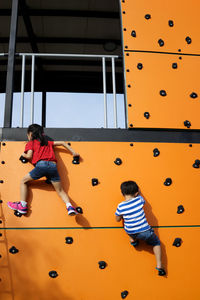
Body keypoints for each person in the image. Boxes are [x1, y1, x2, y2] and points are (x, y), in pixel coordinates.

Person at [7, 124, 79, 216]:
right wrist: (73, 152)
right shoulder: (48, 143)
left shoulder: (31, 143)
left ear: (30, 134)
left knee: (23, 181)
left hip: (41, 166)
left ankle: (22, 206)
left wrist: (22, 155)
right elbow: (62, 143)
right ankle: (69, 207)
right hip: (53, 166)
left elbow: (29, 156)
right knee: (60, 191)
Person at [115, 180, 166, 276]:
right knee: (156, 243)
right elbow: (142, 201)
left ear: (122, 193)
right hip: (145, 231)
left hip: (130, 230)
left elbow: (117, 219)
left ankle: (133, 240)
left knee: (129, 229)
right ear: (137, 193)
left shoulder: (120, 206)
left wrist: (122, 214)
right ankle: (159, 265)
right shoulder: (139, 200)